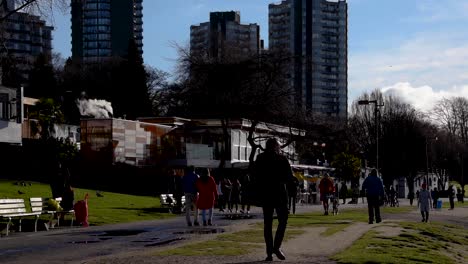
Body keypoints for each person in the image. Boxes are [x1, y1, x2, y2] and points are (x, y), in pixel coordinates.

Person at [254, 138, 295, 261]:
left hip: (266, 194)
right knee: (283, 220)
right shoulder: (282, 159)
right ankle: (276, 247)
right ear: (276, 146)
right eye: (279, 146)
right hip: (280, 193)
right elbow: (289, 177)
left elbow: (256, 176)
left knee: (268, 223)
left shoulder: (260, 158)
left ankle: (269, 252)